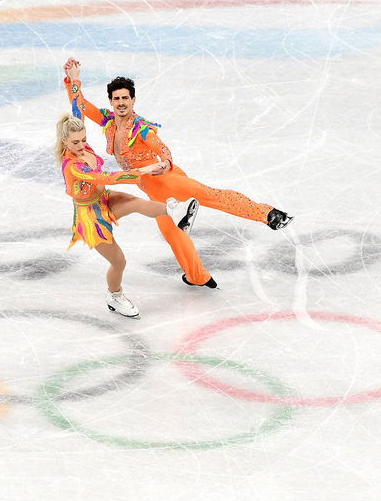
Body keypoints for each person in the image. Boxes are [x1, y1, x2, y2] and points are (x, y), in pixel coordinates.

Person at [63, 57, 291, 289]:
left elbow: (161, 147)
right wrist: (74, 80)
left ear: (133, 100)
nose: (121, 102)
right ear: (111, 101)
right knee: (172, 232)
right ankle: (197, 276)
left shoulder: (140, 128)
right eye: (117, 98)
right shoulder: (109, 122)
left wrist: (167, 162)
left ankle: (267, 214)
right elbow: (80, 107)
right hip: (153, 190)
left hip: (167, 179)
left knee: (211, 195)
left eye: (125, 98)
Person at [55, 114, 198, 319]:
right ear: (65, 141)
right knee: (119, 262)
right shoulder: (73, 166)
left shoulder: (84, 148)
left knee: (134, 202)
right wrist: (144, 170)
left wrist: (74, 83)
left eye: (84, 140)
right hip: (89, 217)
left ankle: (178, 213)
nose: (81, 145)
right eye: (75, 142)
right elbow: (107, 178)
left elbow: (78, 108)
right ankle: (114, 296)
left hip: (103, 199)